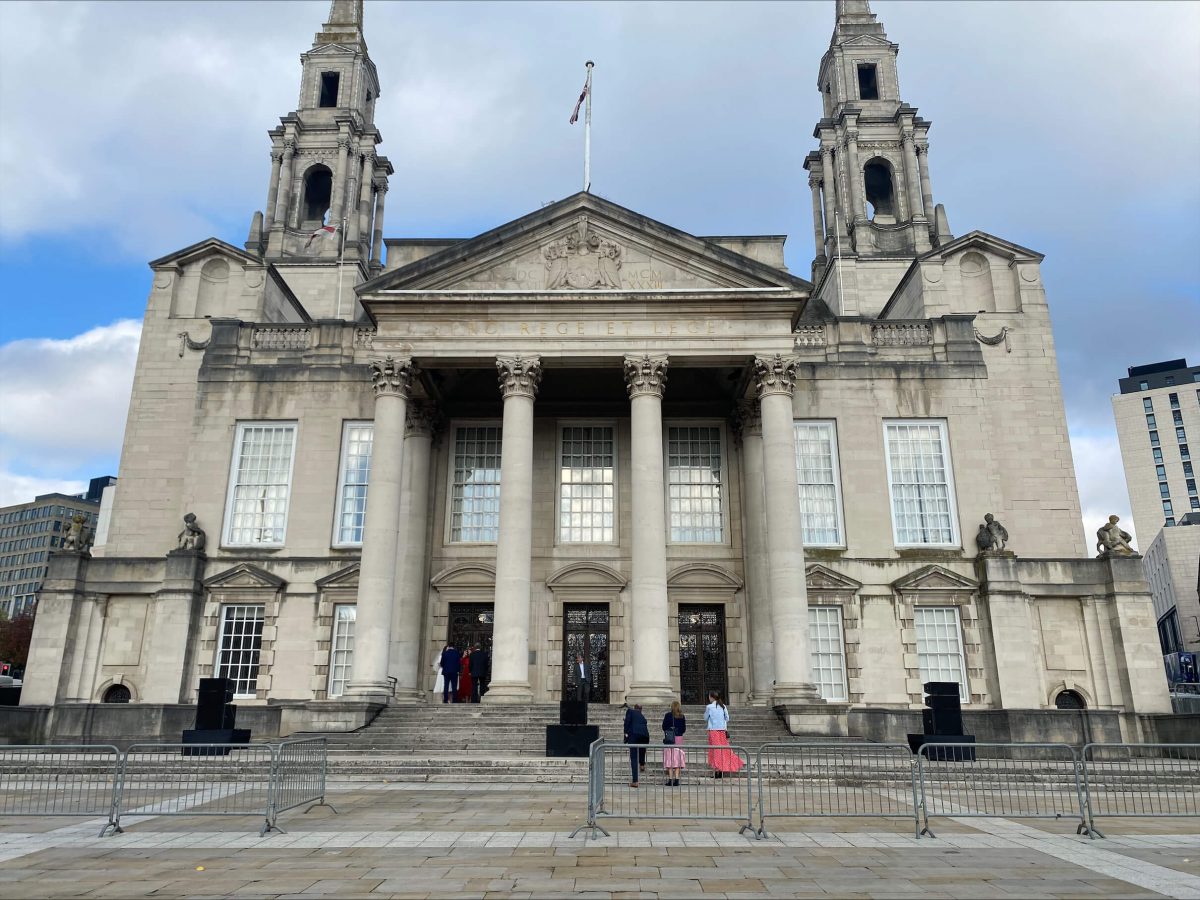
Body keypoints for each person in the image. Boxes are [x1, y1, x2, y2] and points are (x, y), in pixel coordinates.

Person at [704, 691, 744, 778]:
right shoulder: (723, 706)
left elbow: (705, 718)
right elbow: (727, 718)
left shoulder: (709, 707)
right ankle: (720, 769)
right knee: (723, 750)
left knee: (715, 750)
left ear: (711, 697)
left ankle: (717, 770)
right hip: (722, 731)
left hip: (713, 731)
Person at [623, 703, 650, 787]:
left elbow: (627, 723)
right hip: (645, 735)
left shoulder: (630, 711)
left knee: (634, 757)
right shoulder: (642, 717)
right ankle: (642, 764)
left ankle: (635, 781)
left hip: (634, 735)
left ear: (634, 708)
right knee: (642, 750)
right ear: (641, 709)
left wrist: (625, 736)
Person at [662, 700, 687, 787]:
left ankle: (670, 779)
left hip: (670, 738)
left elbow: (663, 727)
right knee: (677, 758)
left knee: (669, 758)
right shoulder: (682, 716)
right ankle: (676, 779)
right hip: (679, 738)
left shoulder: (668, 715)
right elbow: (684, 729)